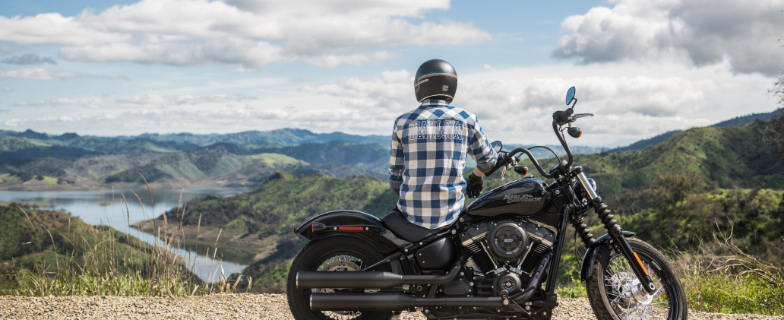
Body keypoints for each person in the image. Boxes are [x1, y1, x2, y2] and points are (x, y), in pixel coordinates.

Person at [388, 59, 509, 230]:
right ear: (452, 85)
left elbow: (395, 176)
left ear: (420, 85)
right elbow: (488, 161)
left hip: (410, 216)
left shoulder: (403, 122)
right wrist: (476, 176)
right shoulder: (467, 119)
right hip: (452, 216)